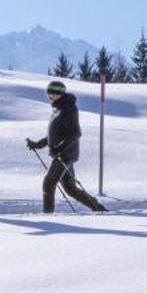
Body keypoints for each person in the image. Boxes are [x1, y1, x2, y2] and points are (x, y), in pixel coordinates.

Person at [26, 79, 106, 213]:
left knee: (48, 183)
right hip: (63, 153)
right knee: (70, 189)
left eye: (54, 93)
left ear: (61, 94)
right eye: (49, 93)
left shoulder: (69, 109)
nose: (50, 96)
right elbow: (54, 135)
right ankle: (98, 208)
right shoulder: (58, 109)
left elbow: (75, 133)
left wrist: (60, 149)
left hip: (65, 155)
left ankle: (48, 217)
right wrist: (37, 145)